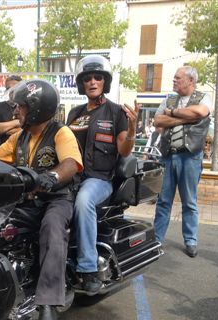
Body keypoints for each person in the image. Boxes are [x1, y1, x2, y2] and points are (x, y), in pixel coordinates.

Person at [0, 79, 83, 320]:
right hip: (28, 200)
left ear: (36, 108)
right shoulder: (19, 137)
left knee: (52, 228)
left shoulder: (61, 133)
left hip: (57, 199)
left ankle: (48, 305)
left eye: (20, 106)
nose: (15, 111)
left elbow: (71, 163)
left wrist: (52, 177)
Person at [67, 55, 138, 293]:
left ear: (105, 82)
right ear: (82, 83)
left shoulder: (116, 112)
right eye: (87, 78)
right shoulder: (74, 114)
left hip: (100, 180)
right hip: (73, 178)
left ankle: (88, 268)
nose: (92, 82)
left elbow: (124, 150)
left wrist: (132, 130)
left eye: (98, 77)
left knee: (84, 201)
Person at [153, 65, 212, 258]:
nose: (174, 80)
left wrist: (170, 113)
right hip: (167, 156)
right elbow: (157, 122)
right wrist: (184, 118)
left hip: (190, 157)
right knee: (163, 201)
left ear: (191, 80)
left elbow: (200, 113)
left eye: (178, 78)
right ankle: (157, 239)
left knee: (189, 201)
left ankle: (191, 241)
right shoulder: (168, 99)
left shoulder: (203, 98)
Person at [0, 75, 23, 146]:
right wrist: (17, 122)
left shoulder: (26, 106)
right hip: (2, 147)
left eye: (15, 88)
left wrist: (3, 129)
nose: (11, 91)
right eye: (8, 88)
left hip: (22, 148)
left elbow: (30, 130)